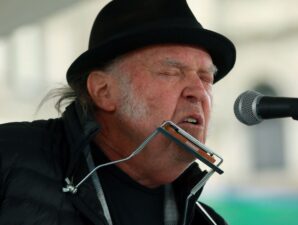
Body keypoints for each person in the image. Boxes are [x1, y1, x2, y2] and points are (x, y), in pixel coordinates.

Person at [0, 0, 235, 224]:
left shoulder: (209, 221)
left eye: (206, 78)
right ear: (104, 91)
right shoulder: (9, 156)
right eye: (170, 72)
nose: (199, 92)